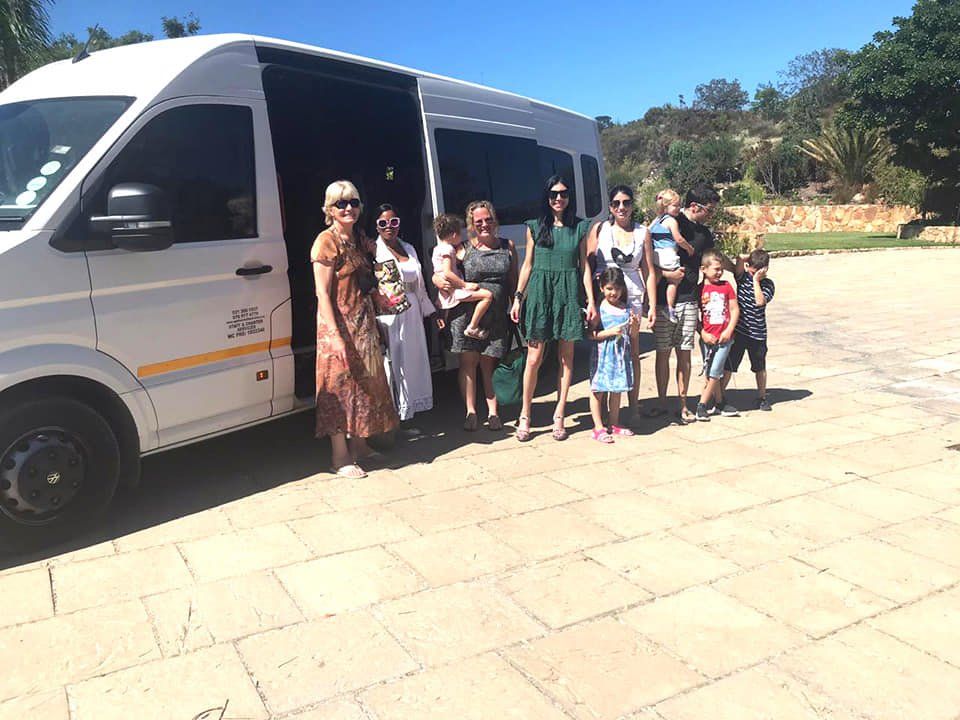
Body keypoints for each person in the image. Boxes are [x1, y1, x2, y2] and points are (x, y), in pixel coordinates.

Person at [311, 180, 399, 478]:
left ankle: (360, 445)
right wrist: (334, 336)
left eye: (354, 202)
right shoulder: (326, 241)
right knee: (338, 386)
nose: (348, 208)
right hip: (337, 325)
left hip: (362, 323)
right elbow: (322, 293)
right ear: (329, 209)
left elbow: (369, 278)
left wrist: (382, 298)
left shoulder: (360, 239)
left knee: (363, 385)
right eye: (341, 203)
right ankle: (339, 457)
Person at [511, 175, 596, 442]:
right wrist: (517, 297)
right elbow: (527, 264)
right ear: (546, 197)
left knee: (565, 358)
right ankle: (525, 414)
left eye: (563, 194)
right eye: (553, 194)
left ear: (569, 197)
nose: (559, 199)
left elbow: (584, 267)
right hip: (540, 292)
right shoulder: (535, 226)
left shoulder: (580, 228)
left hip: (568, 294)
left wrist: (591, 300)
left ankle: (559, 414)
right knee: (534, 358)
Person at [435, 200, 518, 431]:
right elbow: (442, 272)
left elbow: (513, 280)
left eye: (488, 220)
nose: (484, 225)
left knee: (488, 363)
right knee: (468, 363)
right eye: (478, 221)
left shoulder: (507, 245)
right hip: (467, 313)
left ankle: (493, 413)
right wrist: (437, 284)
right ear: (471, 224)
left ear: (495, 221)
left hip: (496, 313)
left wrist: (517, 303)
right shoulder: (461, 248)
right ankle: (471, 412)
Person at [653, 184, 724, 423]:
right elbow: (649, 256)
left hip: (689, 300)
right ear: (695, 206)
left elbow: (712, 263)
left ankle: (683, 404)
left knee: (684, 354)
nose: (711, 215)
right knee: (662, 353)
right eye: (710, 211)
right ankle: (662, 404)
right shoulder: (671, 221)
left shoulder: (705, 234)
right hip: (665, 300)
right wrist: (665, 276)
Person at [587, 184, 657, 425]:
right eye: (616, 203)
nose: (622, 207)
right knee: (603, 349)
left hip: (633, 297)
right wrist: (590, 300)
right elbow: (587, 264)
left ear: (632, 204)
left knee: (632, 353)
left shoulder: (643, 232)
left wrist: (653, 305)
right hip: (603, 296)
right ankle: (603, 409)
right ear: (610, 206)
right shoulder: (600, 229)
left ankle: (632, 406)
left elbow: (648, 270)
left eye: (626, 202)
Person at [371, 204, 436, 425]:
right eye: (383, 223)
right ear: (376, 226)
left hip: (413, 310)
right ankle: (396, 414)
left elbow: (420, 283)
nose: (389, 227)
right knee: (394, 361)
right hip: (389, 313)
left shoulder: (408, 248)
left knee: (414, 358)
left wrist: (429, 308)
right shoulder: (374, 250)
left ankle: (412, 411)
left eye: (393, 222)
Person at [588, 268, 638, 443]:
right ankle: (598, 427)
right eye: (609, 288)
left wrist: (635, 325)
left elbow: (633, 335)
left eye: (617, 289)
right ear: (602, 288)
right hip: (603, 357)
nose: (613, 293)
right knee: (598, 390)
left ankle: (614, 422)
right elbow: (590, 334)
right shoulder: (600, 309)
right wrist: (608, 332)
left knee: (616, 391)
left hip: (619, 357)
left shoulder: (626, 308)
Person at [723, 249, 775, 411]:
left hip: (757, 334)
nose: (752, 274)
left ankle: (762, 396)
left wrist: (756, 281)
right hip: (739, 331)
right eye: (752, 270)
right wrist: (747, 261)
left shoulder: (768, 284)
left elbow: (760, 301)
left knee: (759, 366)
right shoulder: (742, 278)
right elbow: (739, 260)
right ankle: (718, 395)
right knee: (729, 366)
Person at [431, 214, 494, 339]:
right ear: (454, 234)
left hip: (447, 290)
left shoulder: (438, 248)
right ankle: (473, 327)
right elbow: (448, 272)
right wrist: (465, 285)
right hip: (454, 289)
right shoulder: (448, 249)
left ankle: (442, 328)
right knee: (487, 296)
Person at [696, 250, 740, 421]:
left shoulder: (726, 286)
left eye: (721, 269)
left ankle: (702, 404)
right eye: (715, 269)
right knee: (709, 371)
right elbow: (696, 318)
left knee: (715, 371)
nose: (719, 272)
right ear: (703, 269)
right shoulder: (699, 290)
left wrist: (729, 330)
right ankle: (720, 402)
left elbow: (735, 309)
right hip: (707, 339)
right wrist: (703, 333)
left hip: (724, 339)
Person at [648, 189, 696, 323]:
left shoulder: (657, 220)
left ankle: (647, 301)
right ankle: (669, 307)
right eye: (675, 205)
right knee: (674, 281)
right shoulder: (671, 221)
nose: (678, 208)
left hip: (655, 254)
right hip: (668, 254)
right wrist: (689, 248)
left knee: (655, 278)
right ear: (666, 206)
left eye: (679, 205)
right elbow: (679, 239)